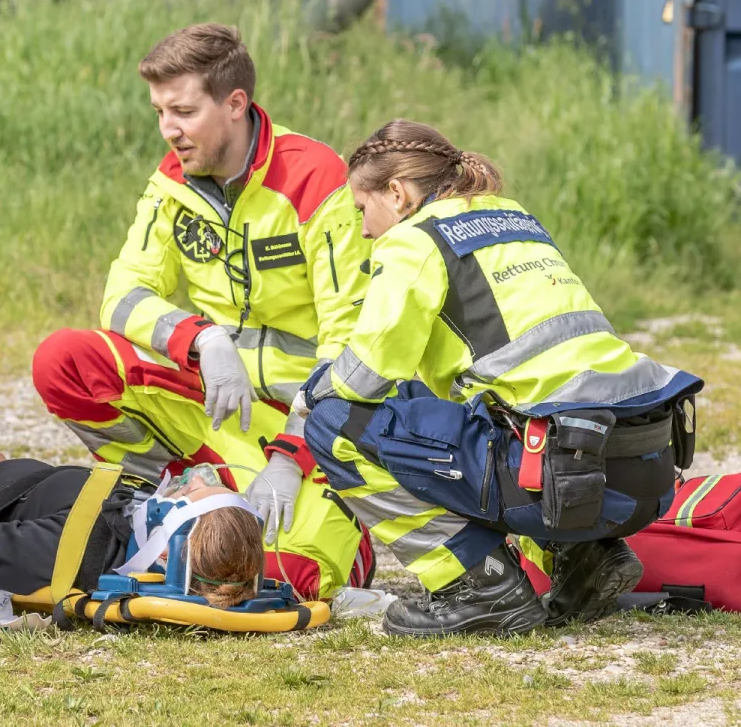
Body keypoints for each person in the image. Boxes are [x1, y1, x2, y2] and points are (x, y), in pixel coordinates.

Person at [298, 119, 703, 637]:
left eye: (361, 209)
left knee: (334, 422)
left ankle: (477, 586)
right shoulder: (511, 216)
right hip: (636, 475)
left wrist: (311, 391)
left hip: (560, 480)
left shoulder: (412, 242)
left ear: (396, 194)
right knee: (481, 406)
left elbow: (364, 379)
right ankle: (587, 560)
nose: (363, 230)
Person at [30, 23, 376, 602]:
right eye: (160, 112)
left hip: (307, 428)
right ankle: (163, 494)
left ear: (235, 104)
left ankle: (252, 524)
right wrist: (203, 339)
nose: (169, 130)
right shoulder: (172, 182)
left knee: (294, 578)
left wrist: (293, 456)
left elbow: (351, 346)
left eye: (184, 112)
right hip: (214, 411)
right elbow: (122, 295)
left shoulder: (316, 179)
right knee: (64, 360)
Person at [0, 449, 268, 609]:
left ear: (166, 550)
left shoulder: (77, 546)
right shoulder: (126, 523)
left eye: (188, 490)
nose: (186, 479)